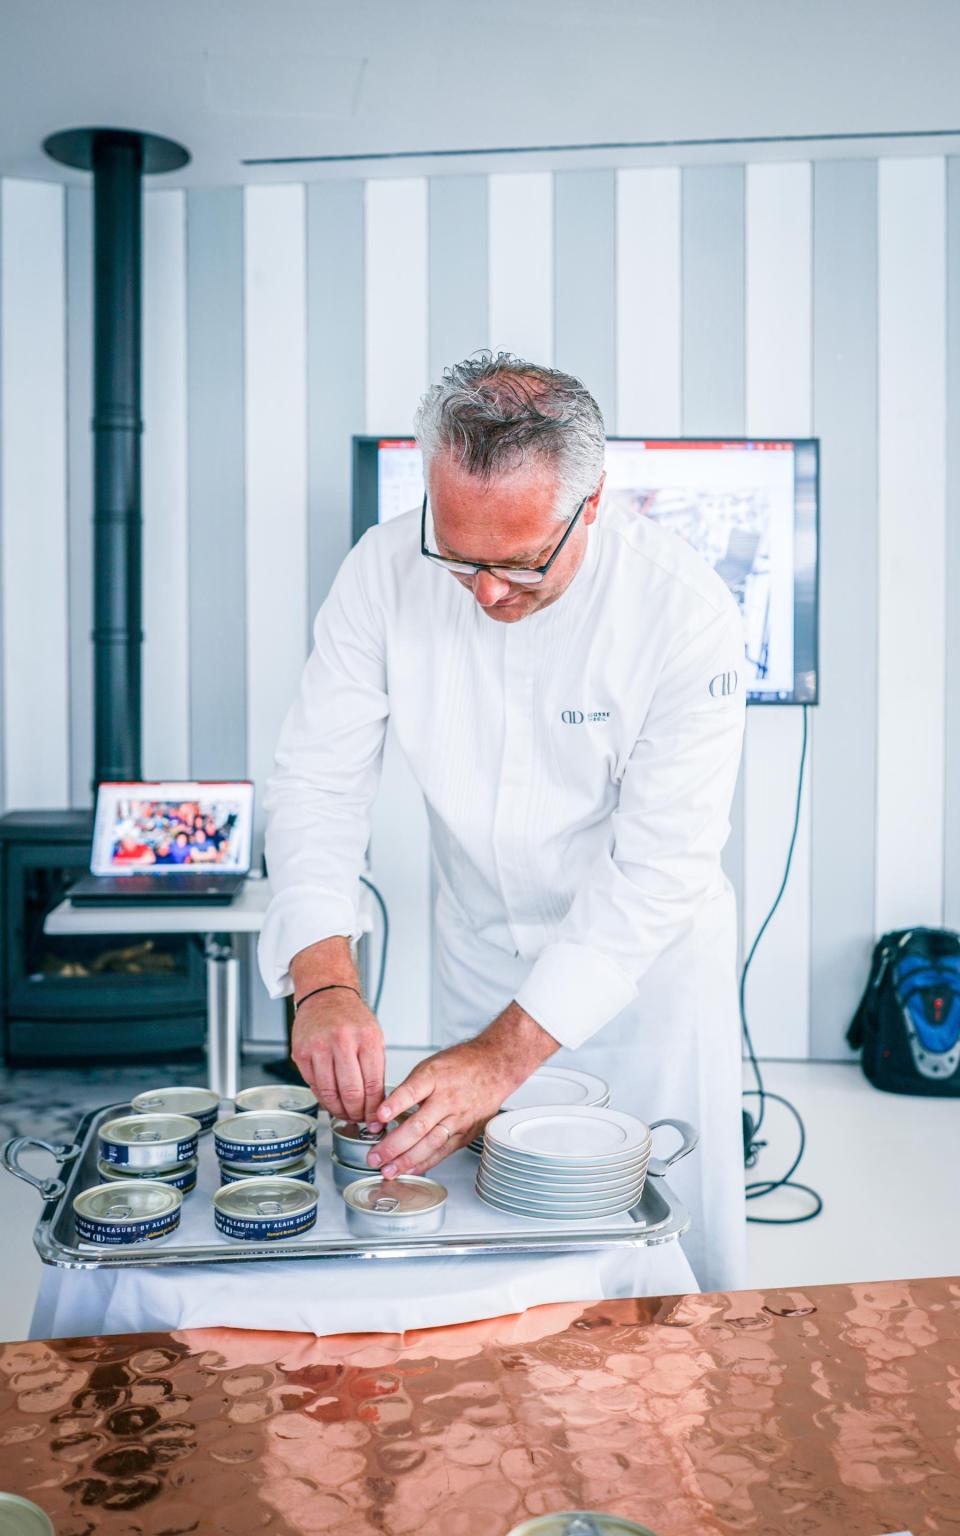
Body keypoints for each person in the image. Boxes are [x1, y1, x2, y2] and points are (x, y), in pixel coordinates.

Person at [258, 355, 746, 1290]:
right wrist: (321, 977)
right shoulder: (380, 571)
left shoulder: (683, 614)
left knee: (657, 1251)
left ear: (592, 503)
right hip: (479, 956)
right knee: (484, 1245)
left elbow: (659, 868)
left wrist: (506, 1055)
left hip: (647, 984)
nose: (485, 594)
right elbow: (318, 780)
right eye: (458, 555)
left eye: (521, 563)